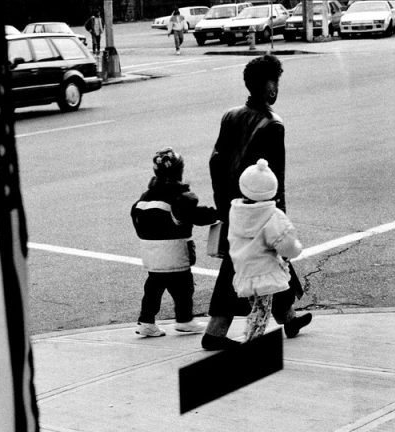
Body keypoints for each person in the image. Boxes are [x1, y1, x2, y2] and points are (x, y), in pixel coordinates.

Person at [202, 54, 312, 351]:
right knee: (248, 265)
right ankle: (215, 331)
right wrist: (280, 217)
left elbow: (215, 161)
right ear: (270, 87)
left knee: (266, 263)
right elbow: (276, 177)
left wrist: (223, 202)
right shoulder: (272, 124)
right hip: (260, 207)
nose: (276, 86)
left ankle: (288, 317)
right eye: (274, 81)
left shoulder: (230, 115)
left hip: (233, 204)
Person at [131, 148, 218, 337]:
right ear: (179, 170)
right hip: (175, 252)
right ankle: (184, 320)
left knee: (153, 287)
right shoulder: (179, 197)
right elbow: (198, 216)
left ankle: (146, 321)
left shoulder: (146, 196)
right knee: (184, 288)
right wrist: (217, 214)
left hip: (152, 253)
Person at [229, 159, 303, 342]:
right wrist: (296, 249)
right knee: (262, 310)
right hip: (263, 270)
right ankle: (252, 340)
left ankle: (255, 334)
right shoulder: (272, 215)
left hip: (243, 266)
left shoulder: (236, 210)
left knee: (256, 305)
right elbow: (286, 244)